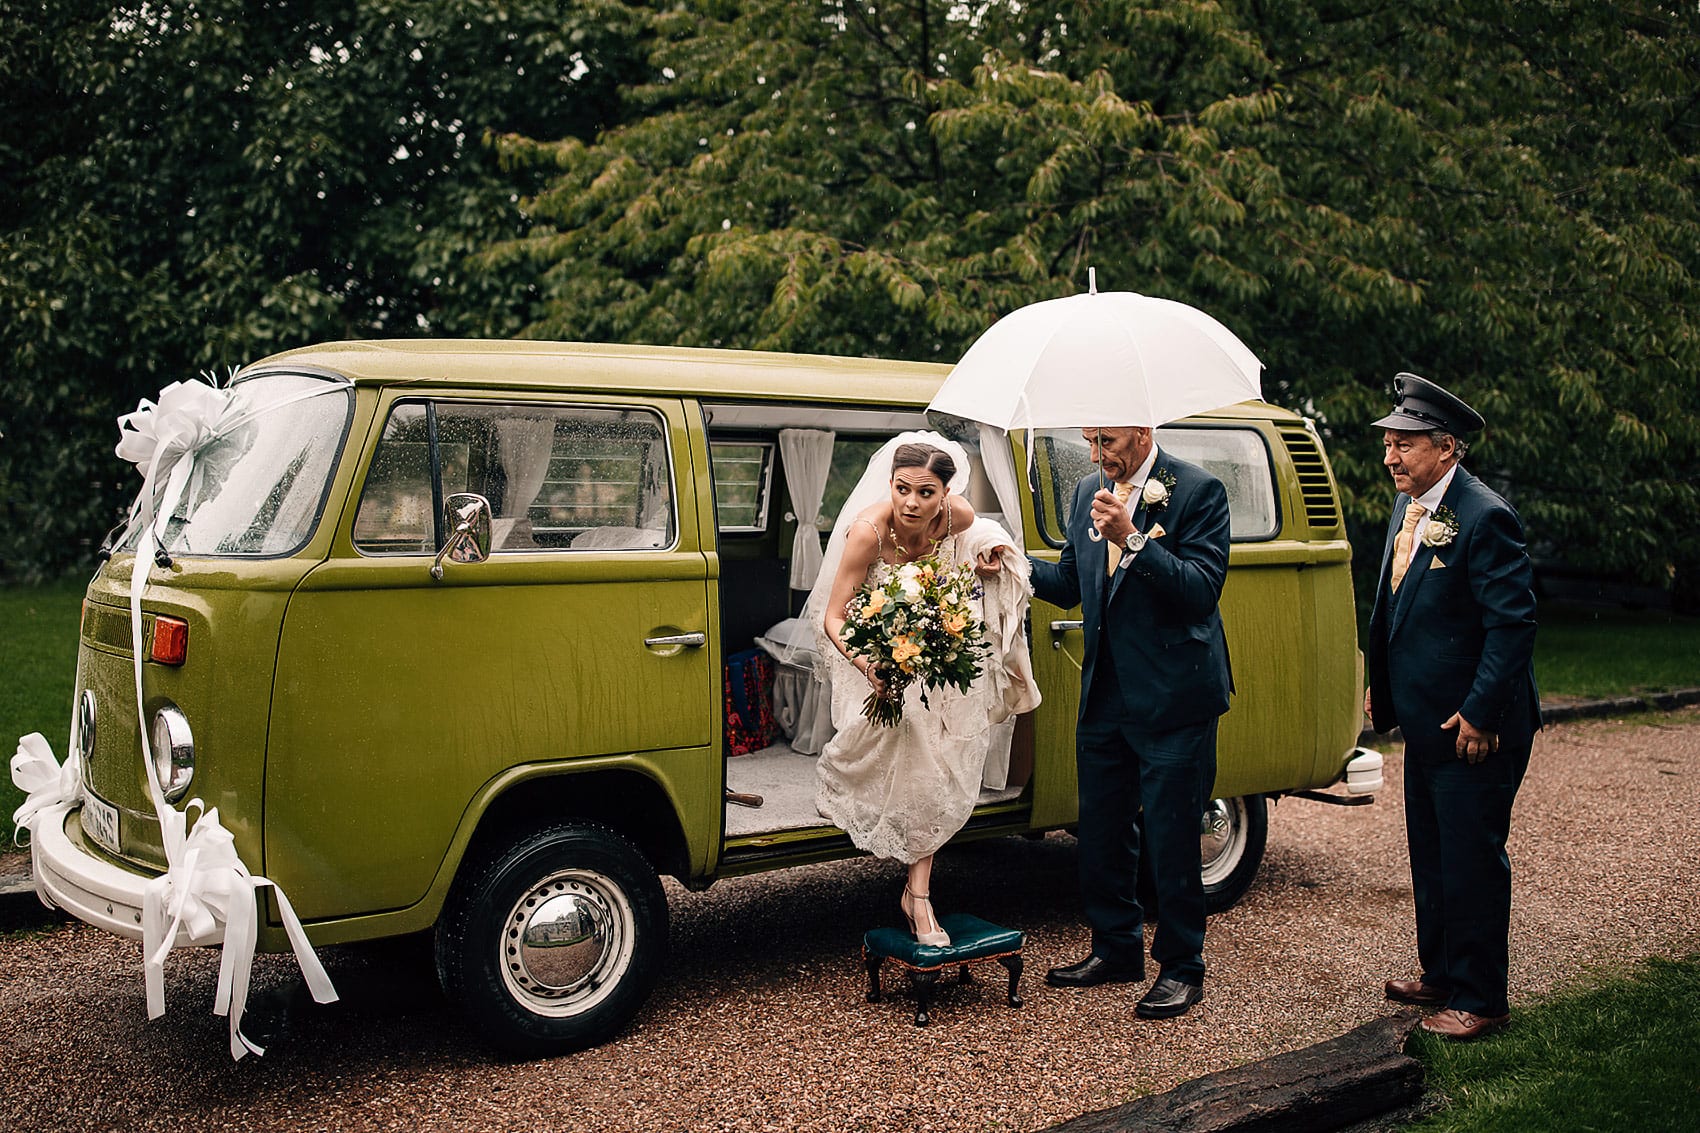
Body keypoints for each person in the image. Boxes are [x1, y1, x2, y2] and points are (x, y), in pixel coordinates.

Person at [1028, 425, 1231, 1019]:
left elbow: (1200, 591)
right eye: (1090, 441)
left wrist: (1134, 538)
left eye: (1108, 441)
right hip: (1106, 693)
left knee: (1171, 835)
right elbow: (1071, 583)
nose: (1096, 455)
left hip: (1174, 697)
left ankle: (1181, 967)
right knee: (1101, 830)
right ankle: (1115, 949)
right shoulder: (1087, 490)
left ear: (1143, 432)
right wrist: (1015, 566)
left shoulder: (1199, 490)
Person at [807, 432, 1039, 947]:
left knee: (938, 752)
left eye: (926, 492)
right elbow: (834, 615)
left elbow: (980, 537)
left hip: (930, 644)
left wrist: (984, 561)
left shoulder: (954, 515)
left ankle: (918, 893)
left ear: (945, 494)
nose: (911, 503)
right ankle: (918, 895)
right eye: (902, 488)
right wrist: (871, 664)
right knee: (915, 741)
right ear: (889, 483)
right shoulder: (867, 532)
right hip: (868, 650)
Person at [1365, 372, 1540, 1041]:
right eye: (1388, 442)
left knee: (1471, 858)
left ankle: (1481, 997)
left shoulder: (1484, 514)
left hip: (1476, 729)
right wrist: (1381, 682)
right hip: (1424, 722)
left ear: (1445, 447)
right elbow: (1394, 609)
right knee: (1432, 853)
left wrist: (1481, 713)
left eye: (1402, 443)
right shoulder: (1410, 506)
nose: (1389, 456)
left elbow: (1512, 626)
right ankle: (1439, 972)